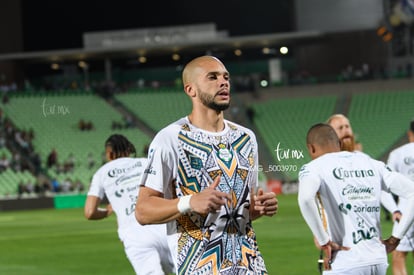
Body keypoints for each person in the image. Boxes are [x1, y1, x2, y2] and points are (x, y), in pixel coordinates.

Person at [135, 55, 278, 274]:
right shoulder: (170, 138)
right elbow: (143, 211)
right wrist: (190, 202)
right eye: (212, 77)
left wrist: (256, 209)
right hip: (199, 267)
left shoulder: (246, 138)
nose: (223, 82)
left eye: (226, 77)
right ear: (190, 89)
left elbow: (243, 210)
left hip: (250, 265)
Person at [298, 123, 414, 275]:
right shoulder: (371, 163)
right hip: (378, 260)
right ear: (339, 144)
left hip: (344, 261)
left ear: (311, 148)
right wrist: (396, 238)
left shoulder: (313, 167)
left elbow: (306, 199)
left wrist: (324, 240)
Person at [84, 134, 174, 275]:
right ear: (129, 149)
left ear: (109, 153)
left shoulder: (101, 173)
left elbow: (89, 212)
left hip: (134, 235)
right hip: (163, 225)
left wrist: (107, 211)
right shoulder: (145, 162)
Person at [327, 113, 401, 222]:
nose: (345, 130)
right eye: (340, 128)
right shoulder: (326, 163)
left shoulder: (365, 159)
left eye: (347, 126)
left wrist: (395, 210)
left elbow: (378, 187)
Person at [387, 119, 414, 275]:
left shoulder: (398, 153)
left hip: (405, 208)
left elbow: (386, 184)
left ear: (410, 133)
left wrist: (394, 209)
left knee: (399, 254)